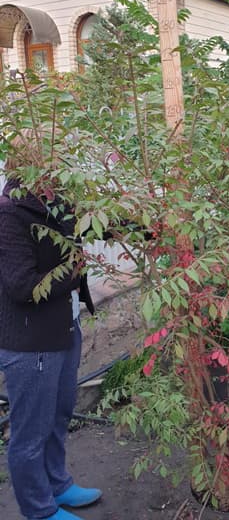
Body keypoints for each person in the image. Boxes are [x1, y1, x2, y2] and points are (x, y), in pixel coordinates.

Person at [0, 130, 102, 520]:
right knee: (30, 432)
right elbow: (21, 285)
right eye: (56, 163)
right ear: (32, 166)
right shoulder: (9, 213)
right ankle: (38, 510)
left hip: (63, 328)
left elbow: (97, 226)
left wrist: (147, 226)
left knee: (59, 415)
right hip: (30, 342)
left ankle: (58, 485)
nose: (63, 171)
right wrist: (73, 273)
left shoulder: (56, 204)